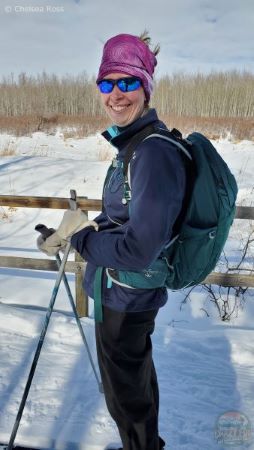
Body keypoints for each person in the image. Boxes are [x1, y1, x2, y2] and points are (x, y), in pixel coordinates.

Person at [38, 31, 187, 450]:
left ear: (146, 87)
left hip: (127, 298)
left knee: (126, 399)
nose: (116, 94)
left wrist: (83, 241)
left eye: (128, 82)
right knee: (132, 385)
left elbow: (139, 249)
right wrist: (73, 232)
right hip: (120, 295)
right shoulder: (134, 147)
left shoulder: (154, 153)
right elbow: (123, 217)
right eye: (107, 83)